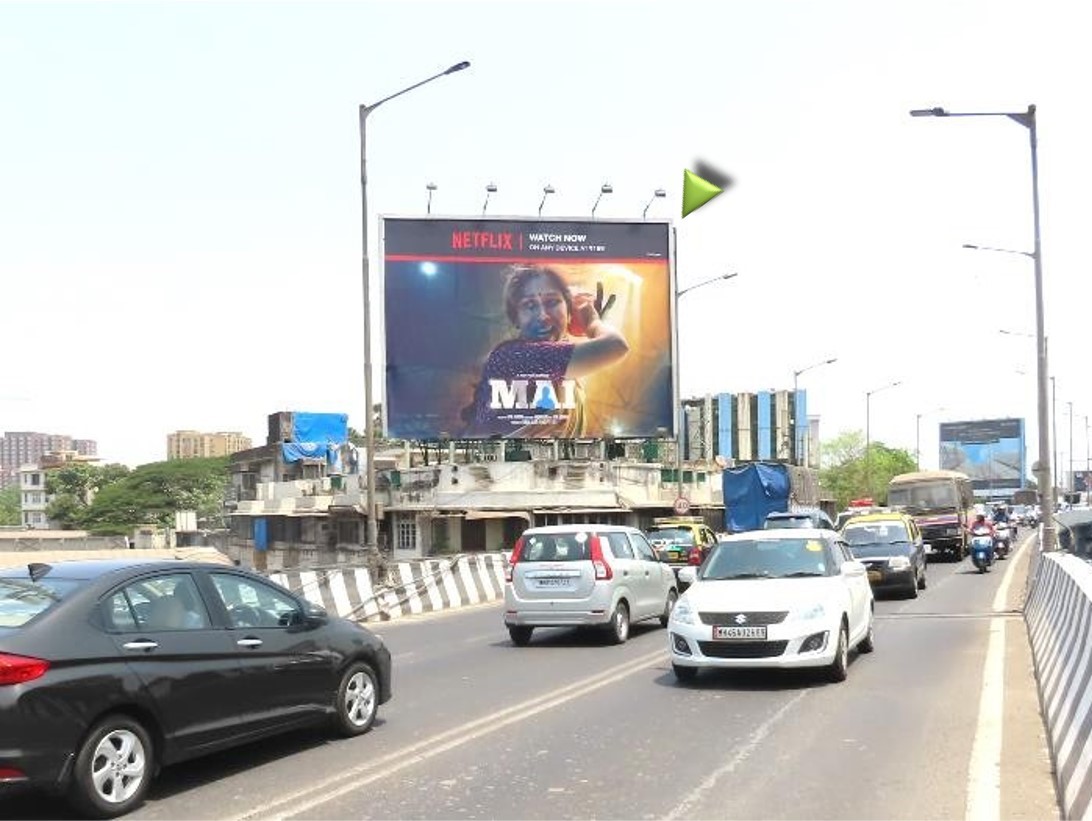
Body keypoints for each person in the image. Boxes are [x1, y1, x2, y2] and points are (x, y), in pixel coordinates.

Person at [463, 265, 629, 437]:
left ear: (569, 310)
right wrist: (591, 322)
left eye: (552, 302)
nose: (543, 316)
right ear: (516, 319)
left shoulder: (565, 373)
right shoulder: (514, 356)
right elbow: (616, 346)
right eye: (529, 305)